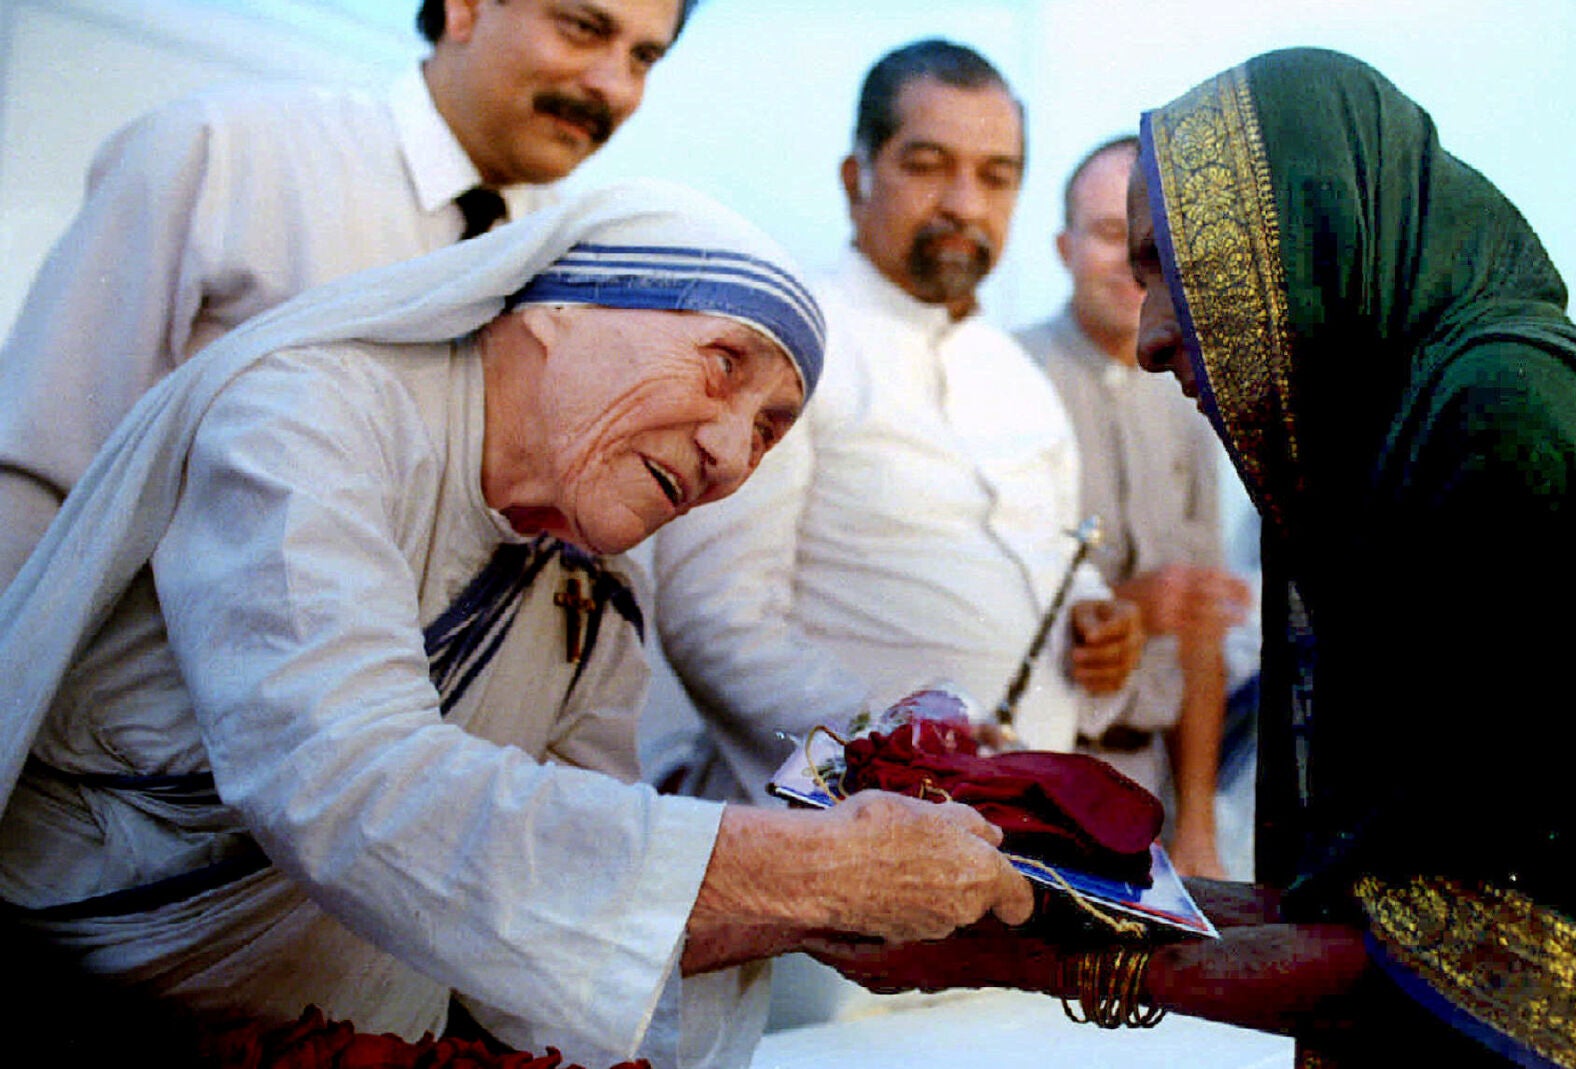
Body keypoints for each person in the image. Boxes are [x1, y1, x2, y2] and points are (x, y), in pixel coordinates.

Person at [810, 49, 1576, 1068]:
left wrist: (1004, 951)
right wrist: (1039, 893)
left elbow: (1444, 957)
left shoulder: (1500, 421)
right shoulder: (1446, 410)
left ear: (1296, 241)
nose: (1147, 336)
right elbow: (1371, 908)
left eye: (1171, 269)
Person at [0, 184, 1034, 1069]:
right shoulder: (307, 415)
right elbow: (345, 780)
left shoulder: (594, 576)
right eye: (724, 364)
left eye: (771, 428)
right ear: (557, 307)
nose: (729, 452)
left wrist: (836, 910)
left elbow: (566, 880)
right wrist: (822, 870)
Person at [0, 0, 696, 588]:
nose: (614, 85)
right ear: (465, 7)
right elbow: (36, 466)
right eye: (583, 28)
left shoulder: (582, 273)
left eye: (644, 59)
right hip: (131, 728)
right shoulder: (227, 152)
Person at [649, 39, 1143, 807]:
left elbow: (1052, 564)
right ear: (858, 179)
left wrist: (1095, 626)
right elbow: (718, 620)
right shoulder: (787, 345)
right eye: (926, 164)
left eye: (995, 176)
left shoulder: (1019, 377)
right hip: (831, 837)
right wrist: (895, 755)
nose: (964, 204)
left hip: (1018, 835)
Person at [1015, 135, 1251, 879]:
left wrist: (1198, 828)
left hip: (1148, 789)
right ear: (1064, 245)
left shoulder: (1189, 397)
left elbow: (1201, 640)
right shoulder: (1005, 378)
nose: (1126, 266)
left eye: (1147, 246)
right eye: (1108, 236)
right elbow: (978, 604)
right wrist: (1131, 605)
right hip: (1032, 778)